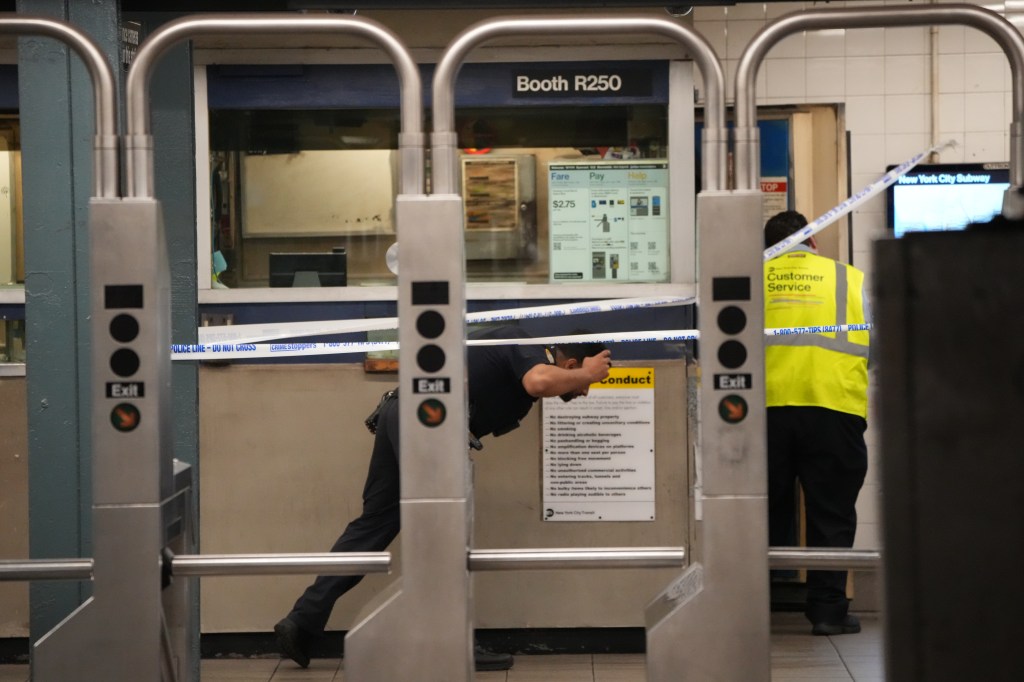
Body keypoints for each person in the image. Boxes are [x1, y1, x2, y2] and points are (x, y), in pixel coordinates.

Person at [274, 325, 612, 670]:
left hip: (405, 412)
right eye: (586, 382)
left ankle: (301, 622)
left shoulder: (523, 350)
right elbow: (538, 382)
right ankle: (453, 642)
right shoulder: (531, 346)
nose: (584, 391)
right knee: (446, 533)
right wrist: (590, 372)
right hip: (428, 423)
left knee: (373, 527)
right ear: (570, 365)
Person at [763, 210, 870, 636]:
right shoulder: (851, 278)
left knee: (760, 511)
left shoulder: (748, 278)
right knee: (832, 513)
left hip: (763, 410)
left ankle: (751, 609)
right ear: (813, 242)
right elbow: (874, 343)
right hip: (834, 406)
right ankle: (827, 612)